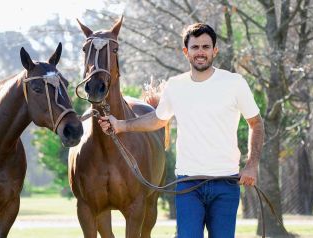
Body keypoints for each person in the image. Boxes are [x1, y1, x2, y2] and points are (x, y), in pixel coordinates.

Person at [98, 23, 264, 238]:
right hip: (187, 186)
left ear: (215, 50)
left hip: (226, 183)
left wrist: (251, 165)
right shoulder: (176, 85)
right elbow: (158, 119)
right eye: (195, 47)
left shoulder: (234, 83)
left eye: (206, 46)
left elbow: (256, 123)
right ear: (186, 52)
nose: (201, 52)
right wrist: (122, 125)